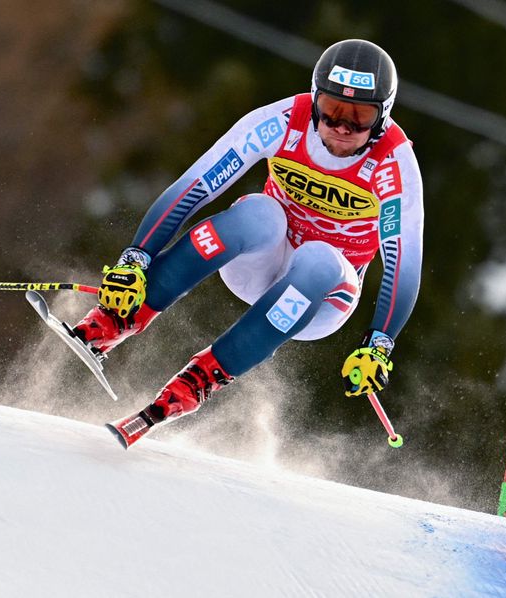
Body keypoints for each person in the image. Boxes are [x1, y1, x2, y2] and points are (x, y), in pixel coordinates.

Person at [73, 39, 424, 448]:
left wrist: (379, 343)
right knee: (259, 212)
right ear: (314, 101)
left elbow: (403, 263)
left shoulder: (394, 164)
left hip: (320, 299)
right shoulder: (282, 121)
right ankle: (117, 318)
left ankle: (200, 380)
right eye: (331, 111)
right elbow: (196, 186)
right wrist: (135, 259)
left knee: (319, 259)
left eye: (360, 117)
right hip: (258, 262)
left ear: (383, 117)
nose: (342, 128)